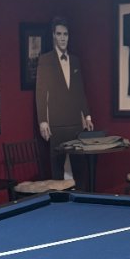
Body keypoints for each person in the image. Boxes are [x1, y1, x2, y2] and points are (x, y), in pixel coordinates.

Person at [35, 16, 93, 184]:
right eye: (59, 34)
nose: (62, 38)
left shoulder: (75, 60)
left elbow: (80, 91)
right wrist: (43, 121)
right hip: (56, 124)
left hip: (75, 123)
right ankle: (59, 201)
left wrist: (87, 116)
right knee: (57, 169)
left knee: (80, 169)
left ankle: (83, 198)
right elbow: (40, 93)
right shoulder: (45, 60)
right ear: (53, 35)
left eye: (65, 34)